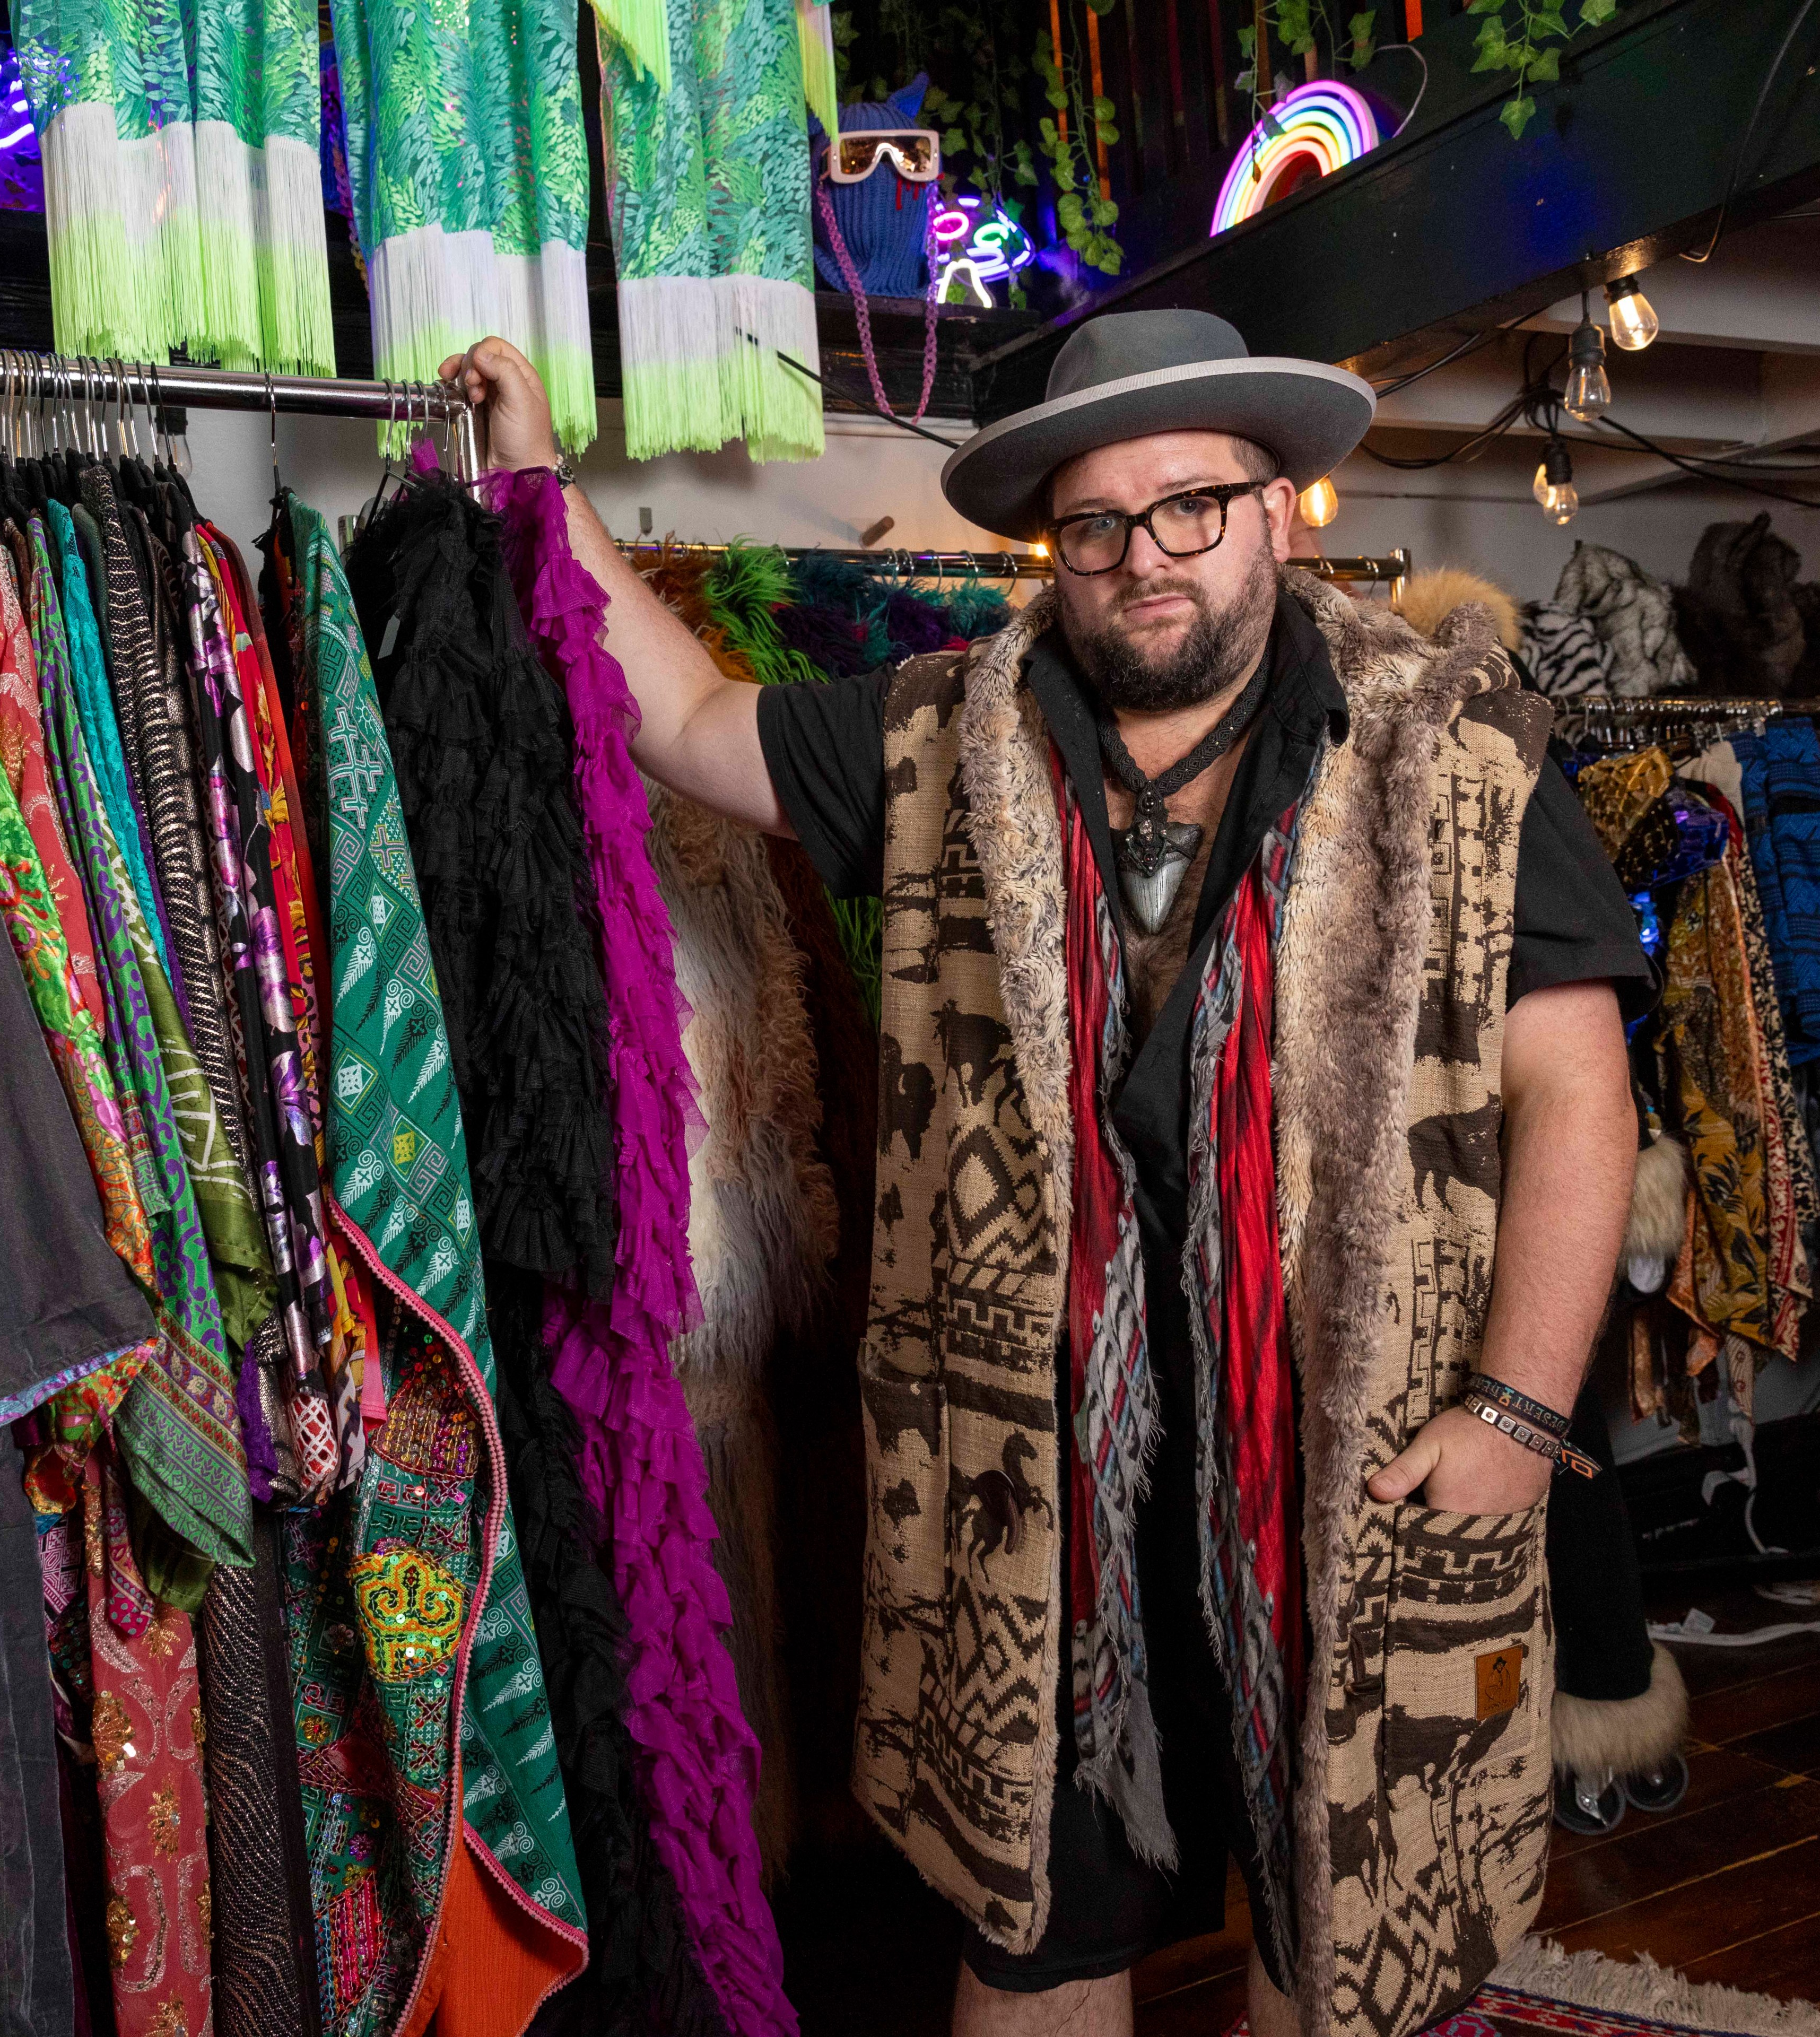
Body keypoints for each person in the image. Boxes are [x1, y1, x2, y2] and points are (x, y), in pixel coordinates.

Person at [440, 310, 1649, 2037]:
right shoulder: (949, 734)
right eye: (1097, 522)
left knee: (1348, 1936)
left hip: (1350, 1471)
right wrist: (546, 484)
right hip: (1035, 1506)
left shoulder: (1463, 758)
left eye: (1191, 507)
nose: (1144, 557)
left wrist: (1522, 1417)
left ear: (1278, 506)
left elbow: (1575, 1096)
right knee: (1030, 1943)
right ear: (1051, 547)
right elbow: (698, 721)